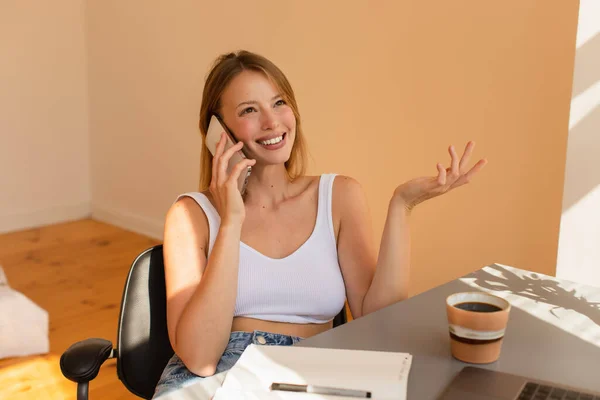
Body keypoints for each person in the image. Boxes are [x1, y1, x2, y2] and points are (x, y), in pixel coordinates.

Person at [153, 50, 487, 397]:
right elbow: (201, 359)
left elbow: (381, 320)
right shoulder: (191, 216)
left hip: (317, 373)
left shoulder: (339, 196)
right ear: (216, 131)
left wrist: (403, 205)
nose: (272, 122)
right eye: (249, 110)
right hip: (221, 376)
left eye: (279, 102)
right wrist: (231, 220)